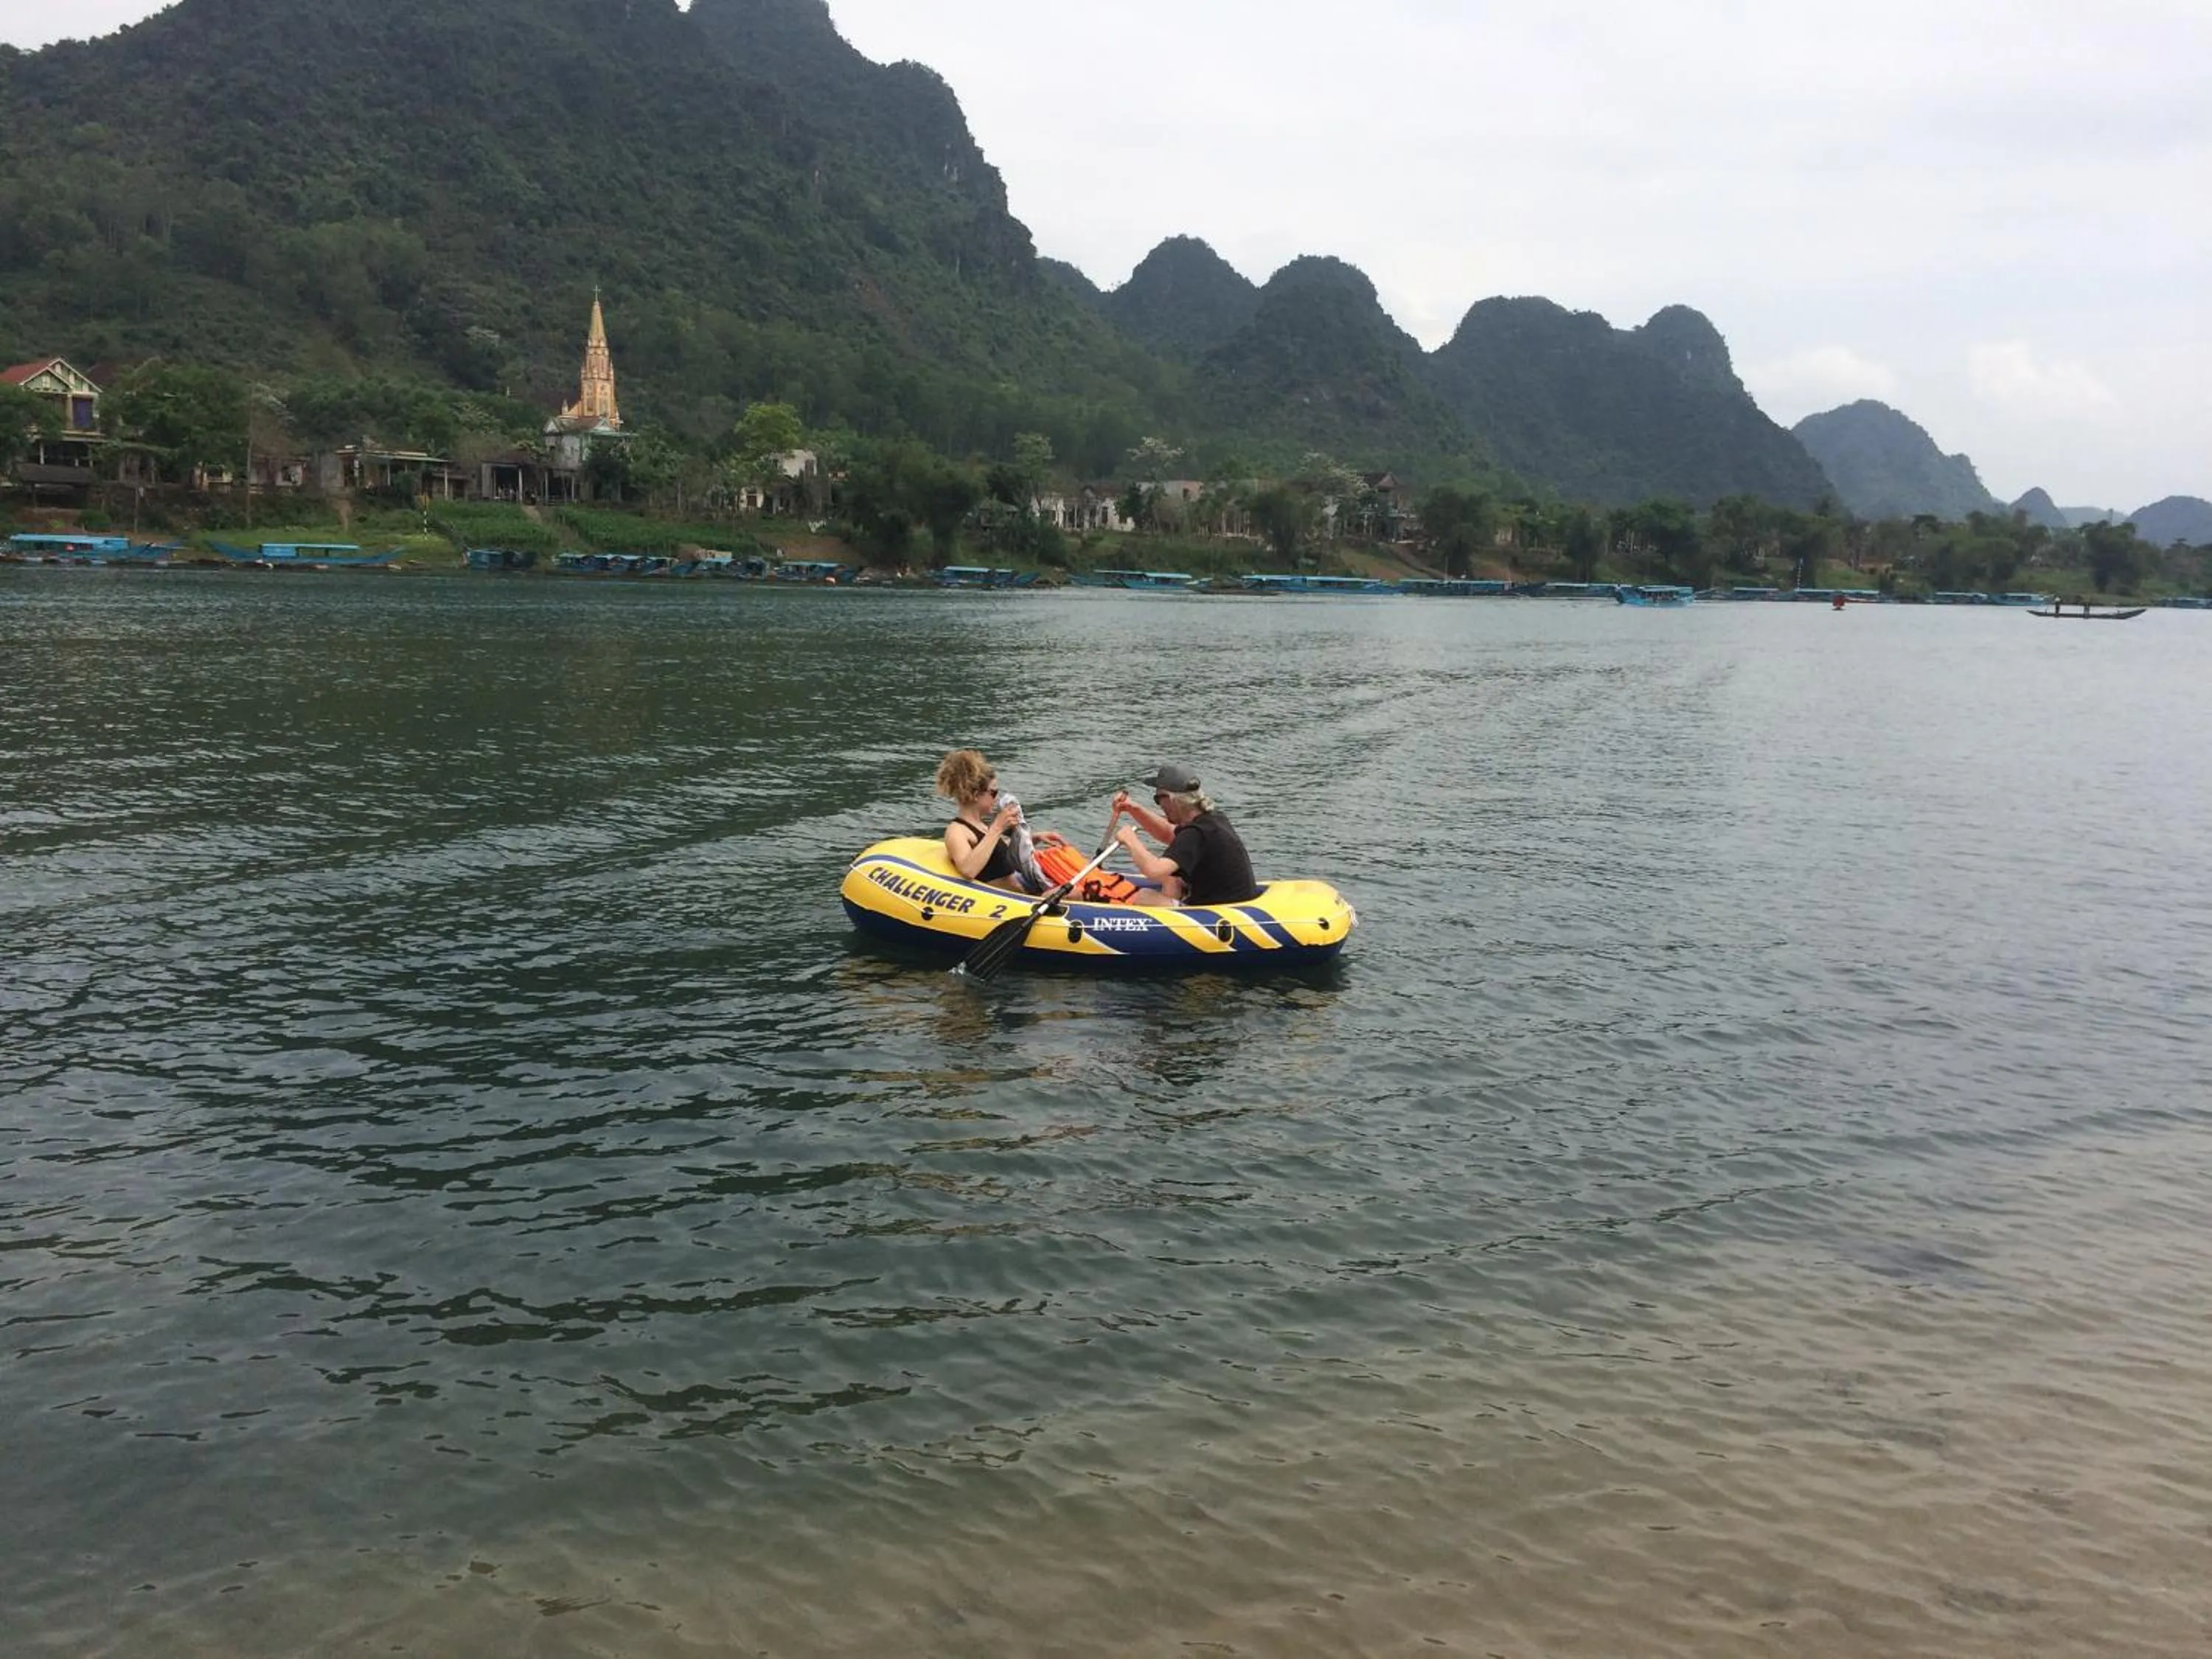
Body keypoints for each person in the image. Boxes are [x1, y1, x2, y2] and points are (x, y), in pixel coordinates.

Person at [1107, 763, 1259, 908]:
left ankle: (1167, 921)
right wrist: (1134, 809)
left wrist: (1131, 841)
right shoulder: (1212, 820)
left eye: (1158, 799)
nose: (1159, 805)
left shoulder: (1195, 834)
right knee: (1171, 877)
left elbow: (1154, 870)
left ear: (1172, 799)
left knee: (1144, 896)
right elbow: (1168, 833)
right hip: (1231, 900)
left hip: (1218, 910)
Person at [936, 749, 1065, 891]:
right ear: (976, 795)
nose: (996, 798)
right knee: (1075, 893)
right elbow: (968, 870)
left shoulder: (981, 825)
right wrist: (997, 827)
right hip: (1012, 902)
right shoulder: (957, 831)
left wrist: (1036, 838)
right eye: (993, 793)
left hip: (1022, 890)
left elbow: (997, 852)